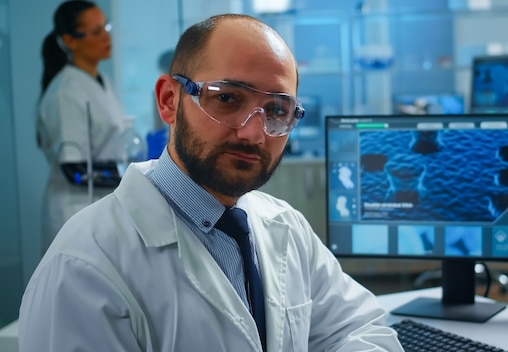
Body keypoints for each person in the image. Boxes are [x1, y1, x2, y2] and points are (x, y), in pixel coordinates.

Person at [19, 13, 403, 351]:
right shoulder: (84, 268)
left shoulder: (285, 226)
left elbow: (361, 330)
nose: (254, 133)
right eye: (228, 98)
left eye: (277, 110)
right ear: (169, 100)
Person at [36, 0, 129, 251]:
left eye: (105, 28)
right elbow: (73, 168)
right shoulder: (65, 92)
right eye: (96, 31)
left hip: (100, 206)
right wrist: (129, 177)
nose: (105, 37)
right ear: (70, 40)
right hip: (74, 211)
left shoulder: (102, 81)